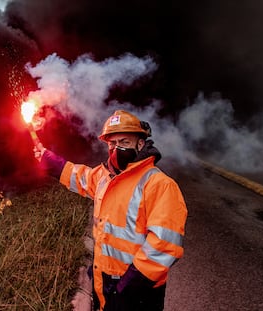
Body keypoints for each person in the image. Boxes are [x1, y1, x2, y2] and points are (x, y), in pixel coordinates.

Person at [34, 110, 188, 311]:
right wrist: (48, 159)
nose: (116, 149)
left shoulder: (159, 184)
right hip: (104, 279)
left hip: (138, 289)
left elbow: (165, 246)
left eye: (124, 142)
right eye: (111, 143)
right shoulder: (105, 177)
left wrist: (127, 287)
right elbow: (80, 177)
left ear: (140, 143)